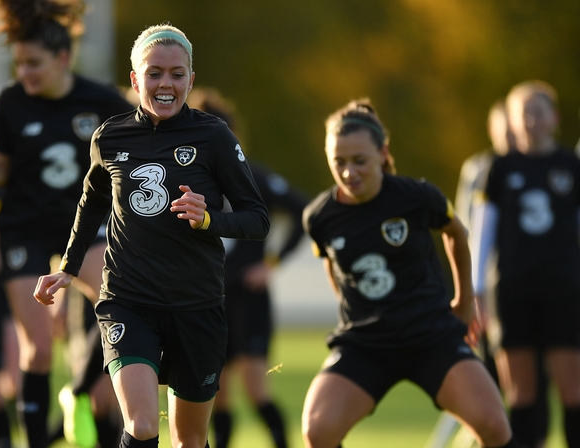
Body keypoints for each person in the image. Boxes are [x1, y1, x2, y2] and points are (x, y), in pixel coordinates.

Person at [32, 24, 270, 448]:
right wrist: (67, 268)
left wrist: (209, 219)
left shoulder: (214, 136)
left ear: (190, 80)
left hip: (196, 305)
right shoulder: (110, 136)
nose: (166, 83)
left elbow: (257, 219)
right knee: (141, 427)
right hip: (129, 300)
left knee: (190, 440)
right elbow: (91, 205)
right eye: (154, 72)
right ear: (135, 79)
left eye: (177, 74)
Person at [301, 99, 518, 448]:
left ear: (383, 153)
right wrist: (350, 307)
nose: (348, 173)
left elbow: (457, 233)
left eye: (359, 161)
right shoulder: (319, 217)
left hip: (430, 336)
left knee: (494, 424)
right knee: (318, 430)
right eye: (338, 162)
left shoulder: (416, 197)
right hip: (366, 344)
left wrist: (463, 301)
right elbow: (331, 263)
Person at [0, 1, 134, 446]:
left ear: (63, 59)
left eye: (34, 63)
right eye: (19, 63)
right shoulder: (11, 103)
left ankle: (79, 389)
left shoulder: (102, 102)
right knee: (37, 348)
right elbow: (2, 172)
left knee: (123, 304)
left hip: (84, 226)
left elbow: (138, 149)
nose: (24, 72)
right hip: (24, 228)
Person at [184, 87, 308, 448]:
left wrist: (271, 263)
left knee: (256, 389)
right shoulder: (185, 177)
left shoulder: (252, 174)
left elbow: (302, 211)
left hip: (249, 298)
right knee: (215, 393)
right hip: (208, 296)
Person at [472, 81, 580, 448]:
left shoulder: (570, 165)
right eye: (524, 113)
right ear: (512, 121)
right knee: (520, 392)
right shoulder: (499, 168)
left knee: (573, 388)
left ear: (554, 117)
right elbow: (482, 233)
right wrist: (477, 290)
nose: (531, 120)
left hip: (563, 287)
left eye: (538, 112)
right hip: (513, 289)